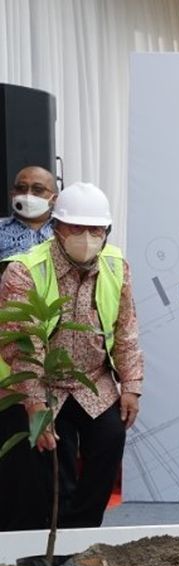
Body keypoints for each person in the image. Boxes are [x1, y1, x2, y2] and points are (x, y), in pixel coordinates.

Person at [0, 182, 142, 530]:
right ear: (57, 228)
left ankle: (80, 536)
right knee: (48, 464)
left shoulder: (115, 264)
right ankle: (41, 543)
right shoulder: (24, 269)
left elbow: (126, 328)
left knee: (110, 439)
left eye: (96, 229)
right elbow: (22, 343)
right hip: (39, 383)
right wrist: (35, 404)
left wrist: (132, 385)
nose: (87, 237)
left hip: (92, 380)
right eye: (77, 228)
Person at [0, 165, 57, 263]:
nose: (28, 194)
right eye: (21, 188)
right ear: (12, 193)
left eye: (38, 189)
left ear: (54, 199)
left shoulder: (65, 230)